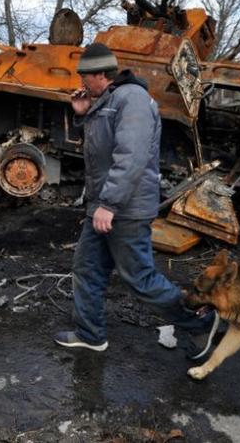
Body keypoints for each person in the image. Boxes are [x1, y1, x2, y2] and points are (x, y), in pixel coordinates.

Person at [53, 42, 222, 360]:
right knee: (87, 268)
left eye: (84, 76)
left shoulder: (132, 100)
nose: (81, 82)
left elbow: (130, 157)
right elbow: (102, 150)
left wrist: (109, 204)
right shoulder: (108, 100)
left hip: (123, 210)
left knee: (140, 279)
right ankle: (90, 335)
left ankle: (200, 321)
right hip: (103, 207)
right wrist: (84, 114)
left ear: (101, 74)